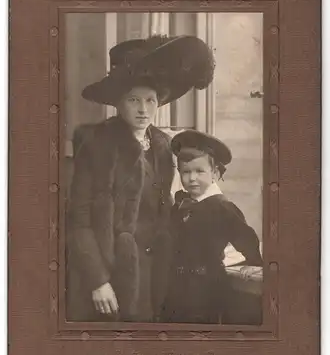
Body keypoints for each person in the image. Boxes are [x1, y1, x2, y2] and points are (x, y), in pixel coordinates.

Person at [66, 35, 215, 322]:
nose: (143, 109)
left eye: (150, 100)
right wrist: (98, 281)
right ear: (118, 103)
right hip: (106, 274)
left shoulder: (161, 145)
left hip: (150, 273)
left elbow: (162, 211)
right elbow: (79, 222)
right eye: (133, 99)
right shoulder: (96, 145)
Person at [161, 130, 263, 324]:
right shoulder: (180, 206)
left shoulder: (222, 208)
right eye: (186, 172)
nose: (192, 178)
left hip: (207, 288)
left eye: (200, 172)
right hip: (177, 287)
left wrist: (254, 262)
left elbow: (246, 237)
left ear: (215, 173)